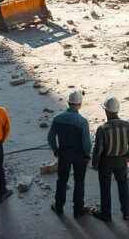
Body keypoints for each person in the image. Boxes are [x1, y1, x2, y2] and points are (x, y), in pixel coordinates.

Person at [91, 96, 129, 222]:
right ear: (117, 110)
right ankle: (127, 213)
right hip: (121, 160)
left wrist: (95, 163)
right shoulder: (127, 125)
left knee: (105, 187)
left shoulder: (102, 128)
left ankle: (106, 215)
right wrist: (128, 154)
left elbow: (98, 149)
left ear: (106, 111)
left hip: (106, 161)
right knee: (123, 185)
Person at [48, 89, 92, 217]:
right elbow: (87, 143)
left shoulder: (57, 118)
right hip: (79, 156)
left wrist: (55, 149)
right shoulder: (82, 122)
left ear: (68, 102)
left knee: (62, 180)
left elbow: (51, 137)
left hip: (64, 154)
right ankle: (78, 210)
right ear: (80, 104)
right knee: (79, 182)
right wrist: (87, 155)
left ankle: (59, 206)